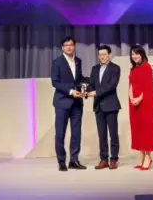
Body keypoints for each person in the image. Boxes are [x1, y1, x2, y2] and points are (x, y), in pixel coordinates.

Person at [51, 36, 86, 171]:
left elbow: (79, 79)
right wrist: (71, 91)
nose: (69, 47)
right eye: (66, 45)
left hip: (77, 102)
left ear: (74, 46)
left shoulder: (78, 61)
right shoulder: (57, 62)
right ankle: (61, 161)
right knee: (60, 133)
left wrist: (92, 82)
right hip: (62, 102)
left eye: (71, 45)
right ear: (62, 48)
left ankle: (74, 160)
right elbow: (55, 82)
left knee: (76, 133)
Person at [85, 45, 121, 170]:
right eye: (100, 55)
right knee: (102, 135)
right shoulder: (95, 69)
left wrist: (96, 92)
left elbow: (111, 85)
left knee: (113, 134)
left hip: (111, 105)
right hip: (98, 106)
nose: (102, 57)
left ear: (109, 55)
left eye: (104, 54)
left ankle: (114, 159)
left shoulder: (115, 68)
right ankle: (104, 159)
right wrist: (87, 91)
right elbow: (91, 84)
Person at [128, 45, 153, 170]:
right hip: (134, 102)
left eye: (137, 53)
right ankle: (141, 155)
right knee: (138, 128)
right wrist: (131, 97)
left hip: (146, 102)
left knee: (147, 128)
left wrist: (139, 99)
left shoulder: (147, 67)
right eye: (132, 54)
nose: (134, 56)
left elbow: (148, 87)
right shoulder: (133, 68)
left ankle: (148, 157)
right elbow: (131, 84)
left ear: (142, 54)